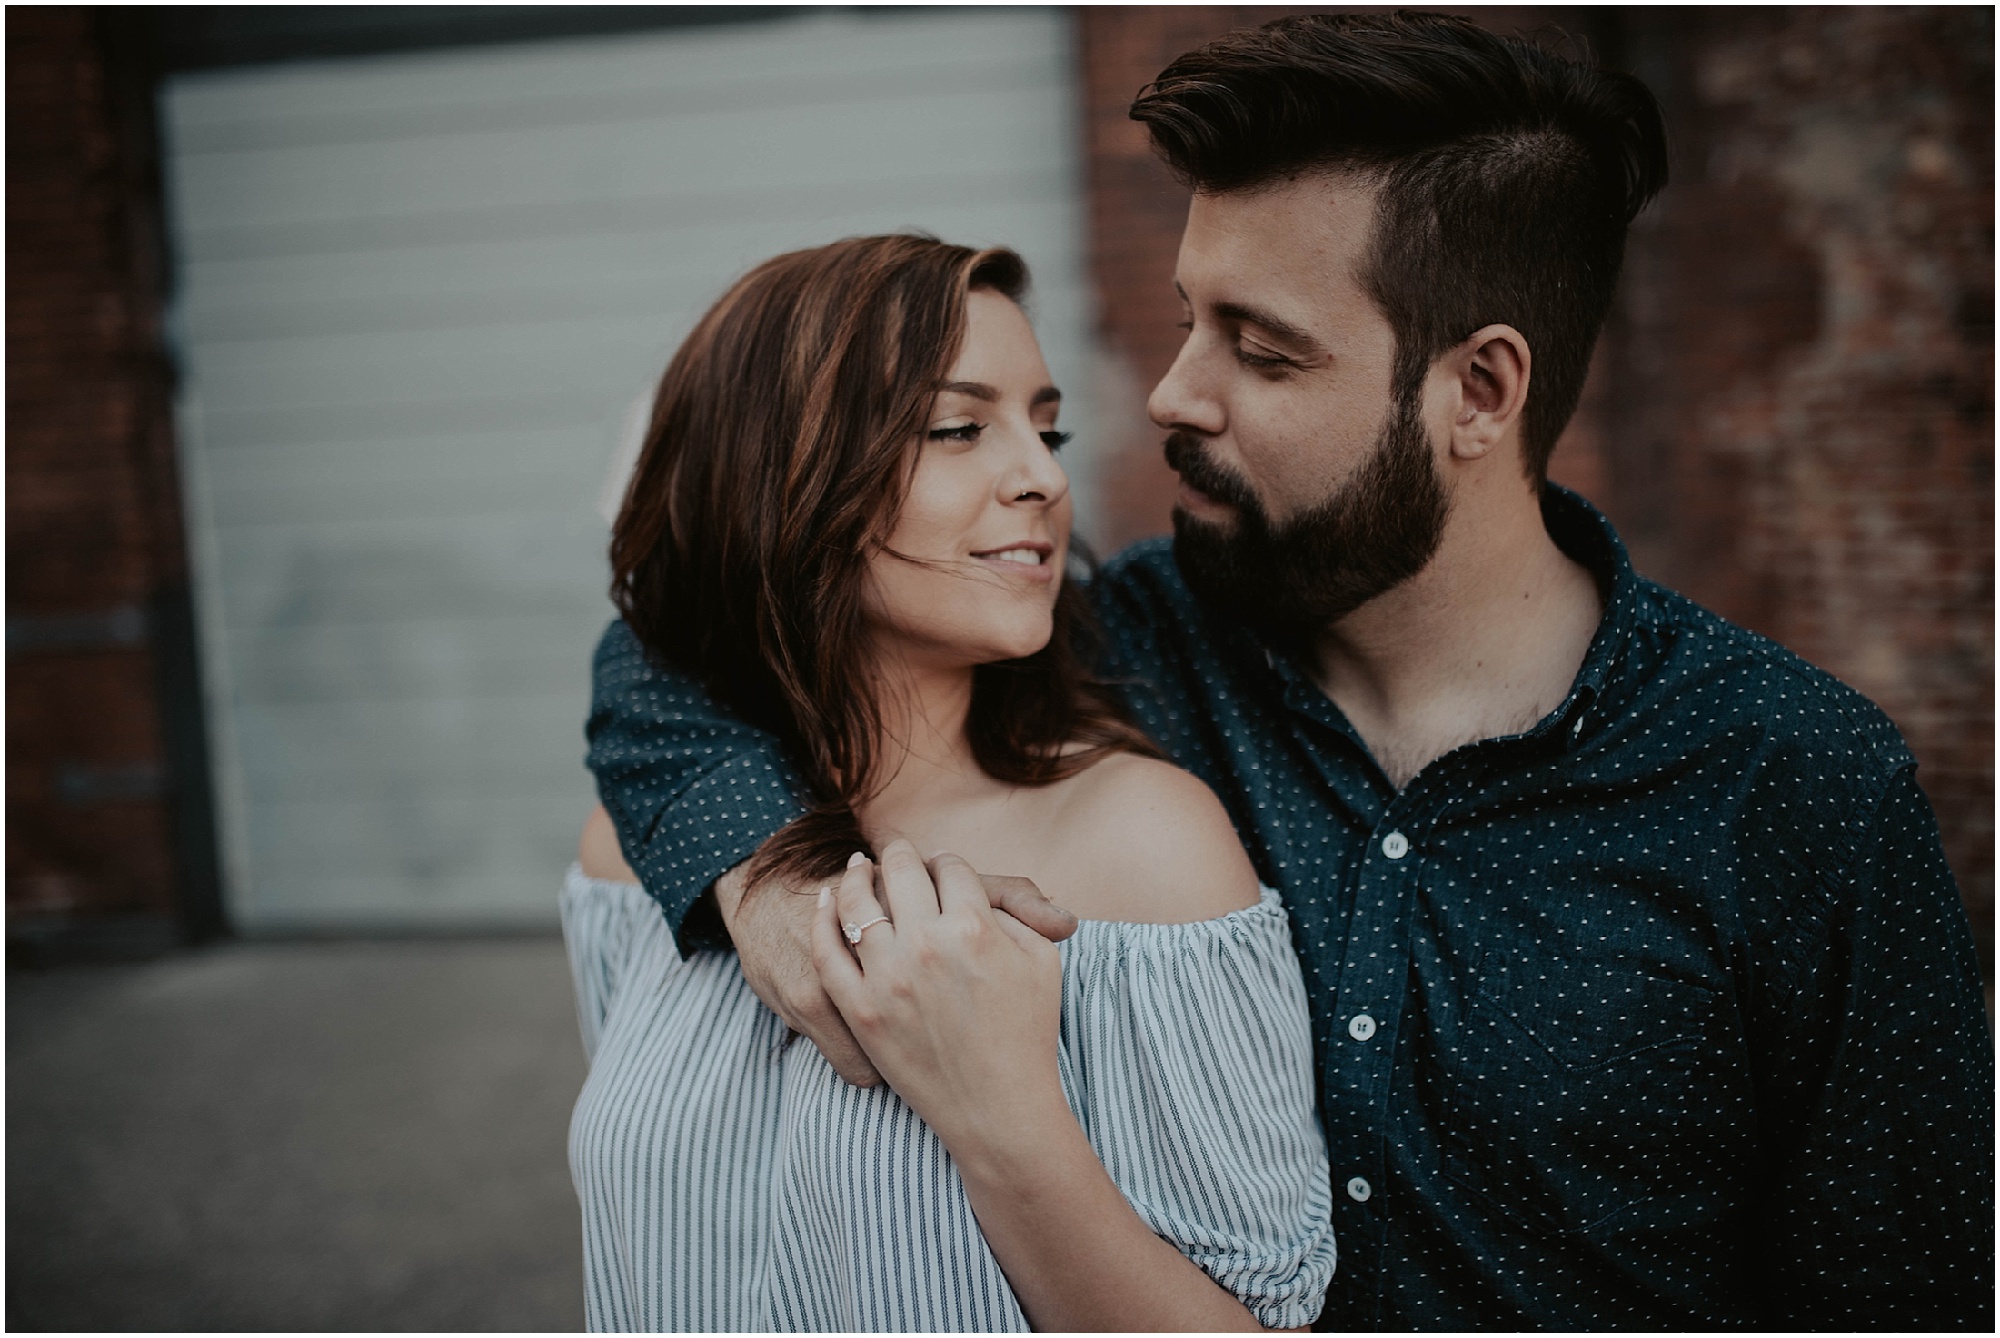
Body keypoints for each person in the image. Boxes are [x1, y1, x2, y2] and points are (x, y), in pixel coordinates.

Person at [586, 12, 1996, 1331]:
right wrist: (767, 877)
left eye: (1259, 349)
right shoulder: (1118, 644)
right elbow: (689, 642)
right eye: (1194, 317)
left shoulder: (1794, 780)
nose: (1174, 392)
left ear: (1479, 393)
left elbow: (1905, 1284)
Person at [564, 233, 1337, 1332]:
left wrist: (1000, 1115)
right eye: (958, 428)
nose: (1042, 476)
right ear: (771, 477)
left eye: (1046, 426)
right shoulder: (644, 841)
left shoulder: (1133, 848)